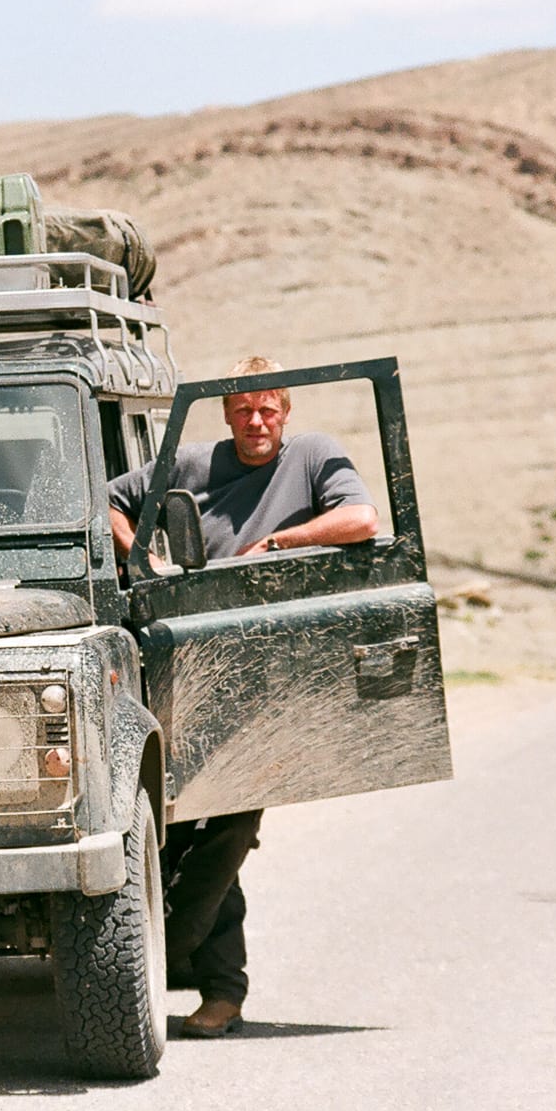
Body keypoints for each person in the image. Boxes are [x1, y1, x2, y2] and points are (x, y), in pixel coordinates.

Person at [105, 355, 380, 1038]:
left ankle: (171, 954)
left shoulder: (314, 455)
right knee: (180, 824)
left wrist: (282, 540)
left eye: (268, 409)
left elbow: (362, 519)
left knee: (230, 822)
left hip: (268, 677)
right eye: (244, 409)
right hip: (189, 661)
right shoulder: (195, 463)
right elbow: (109, 497)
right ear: (226, 414)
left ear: (285, 413)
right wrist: (146, 557)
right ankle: (219, 992)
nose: (256, 421)